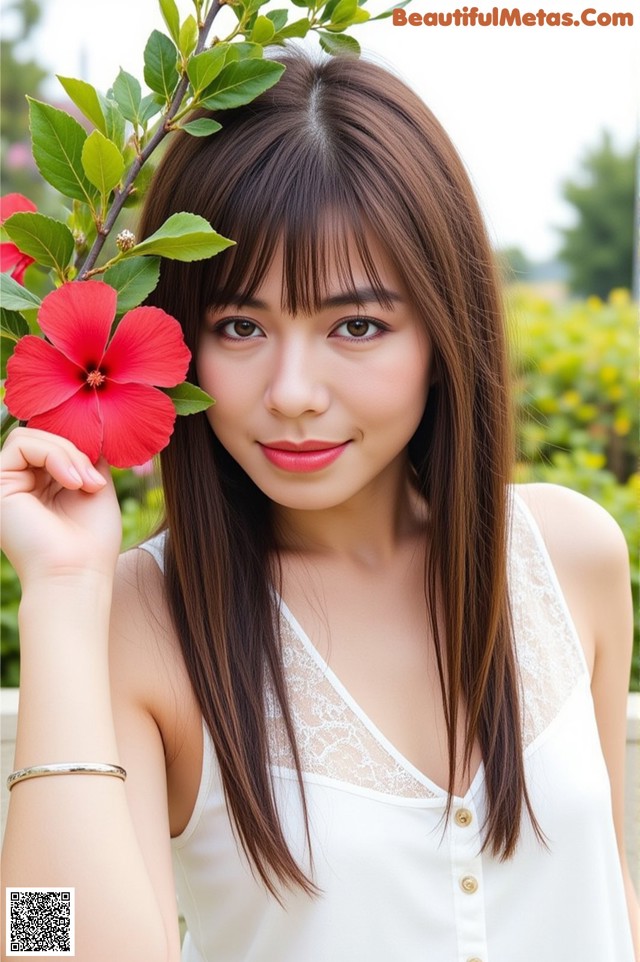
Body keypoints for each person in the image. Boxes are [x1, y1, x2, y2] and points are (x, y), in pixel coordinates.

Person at [1, 49, 637, 962]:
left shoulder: (569, 555)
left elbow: (603, 891)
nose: (294, 391)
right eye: (242, 327)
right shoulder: (137, 620)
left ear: (444, 330)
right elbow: (44, 947)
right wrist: (61, 594)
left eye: (356, 325)